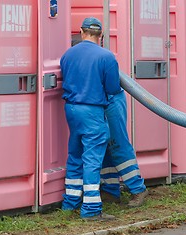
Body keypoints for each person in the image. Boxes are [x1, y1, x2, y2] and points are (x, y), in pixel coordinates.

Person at [60, 17, 122, 221]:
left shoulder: (68, 54)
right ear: (101, 35)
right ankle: (92, 208)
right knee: (93, 159)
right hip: (93, 111)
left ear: (80, 31)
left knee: (75, 154)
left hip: (71, 109)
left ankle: (70, 203)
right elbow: (113, 88)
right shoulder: (107, 56)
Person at [100, 91, 149, 207]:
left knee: (117, 144)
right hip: (97, 101)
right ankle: (110, 190)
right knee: (104, 146)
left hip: (110, 98)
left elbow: (111, 82)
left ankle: (138, 189)